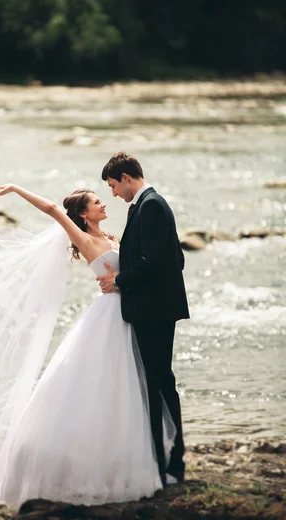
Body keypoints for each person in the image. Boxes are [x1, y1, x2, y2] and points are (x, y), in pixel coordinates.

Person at [0, 182, 175, 508]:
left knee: (128, 389)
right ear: (83, 214)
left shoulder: (111, 237)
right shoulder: (83, 238)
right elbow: (53, 209)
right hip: (110, 316)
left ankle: (131, 458)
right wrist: (15, 189)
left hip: (130, 314)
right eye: (97, 202)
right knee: (104, 387)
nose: (103, 204)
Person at [97, 152, 189, 486]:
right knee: (156, 382)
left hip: (155, 311)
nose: (113, 194)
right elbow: (175, 257)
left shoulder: (150, 204)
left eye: (112, 185)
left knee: (159, 383)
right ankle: (161, 456)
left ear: (125, 177)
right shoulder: (149, 203)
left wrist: (118, 281)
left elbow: (153, 260)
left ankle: (170, 460)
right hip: (156, 307)